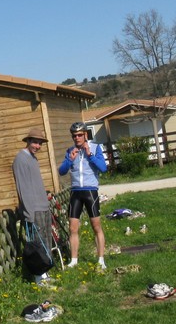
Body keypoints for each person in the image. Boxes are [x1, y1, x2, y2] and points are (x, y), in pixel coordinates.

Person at [58, 121, 108, 271]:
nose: (77, 138)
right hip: (75, 192)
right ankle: (74, 260)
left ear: (85, 134)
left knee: (96, 226)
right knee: (73, 228)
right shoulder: (70, 151)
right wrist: (69, 160)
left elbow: (103, 168)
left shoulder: (95, 147)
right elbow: (61, 171)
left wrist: (90, 155)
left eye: (80, 135)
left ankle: (101, 259)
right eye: (74, 136)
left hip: (90, 191)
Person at [12, 127, 54, 287]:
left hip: (43, 207)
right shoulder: (20, 160)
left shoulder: (32, 158)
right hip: (33, 210)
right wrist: (29, 213)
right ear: (28, 141)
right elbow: (23, 188)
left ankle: (45, 274)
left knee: (46, 242)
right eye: (35, 142)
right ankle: (38, 278)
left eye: (40, 143)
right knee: (37, 244)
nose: (38, 146)